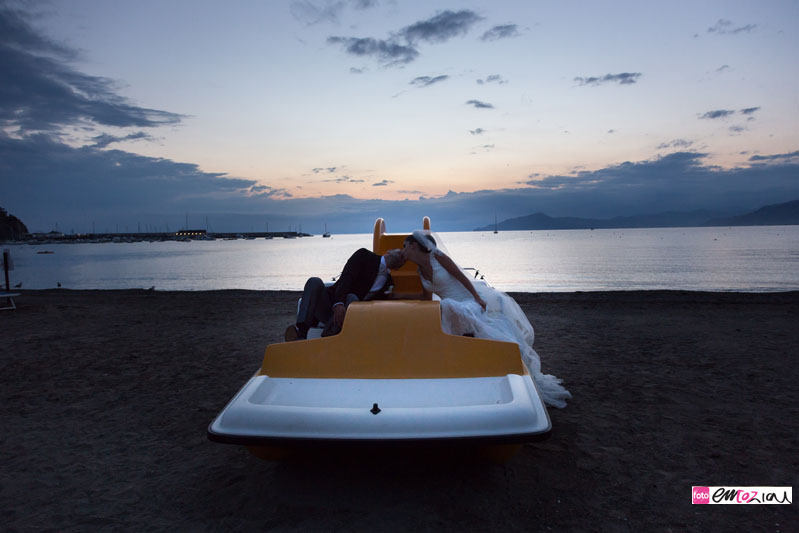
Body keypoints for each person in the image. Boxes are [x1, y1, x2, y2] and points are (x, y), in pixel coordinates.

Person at [402, 230, 571, 408]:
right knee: (448, 309)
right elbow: (426, 297)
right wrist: (398, 296)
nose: (403, 250)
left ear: (414, 246)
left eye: (404, 246)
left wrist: (477, 298)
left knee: (451, 308)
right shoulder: (419, 271)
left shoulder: (438, 258)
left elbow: (462, 277)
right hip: (453, 307)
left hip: (467, 300)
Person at [285, 248, 406, 340]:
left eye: (404, 260)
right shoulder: (364, 255)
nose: (402, 256)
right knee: (314, 281)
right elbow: (346, 279)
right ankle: (300, 331)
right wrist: (338, 304)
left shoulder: (389, 283)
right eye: (400, 252)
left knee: (352, 298)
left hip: (352, 317)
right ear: (389, 251)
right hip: (330, 304)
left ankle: (328, 336)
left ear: (399, 267)